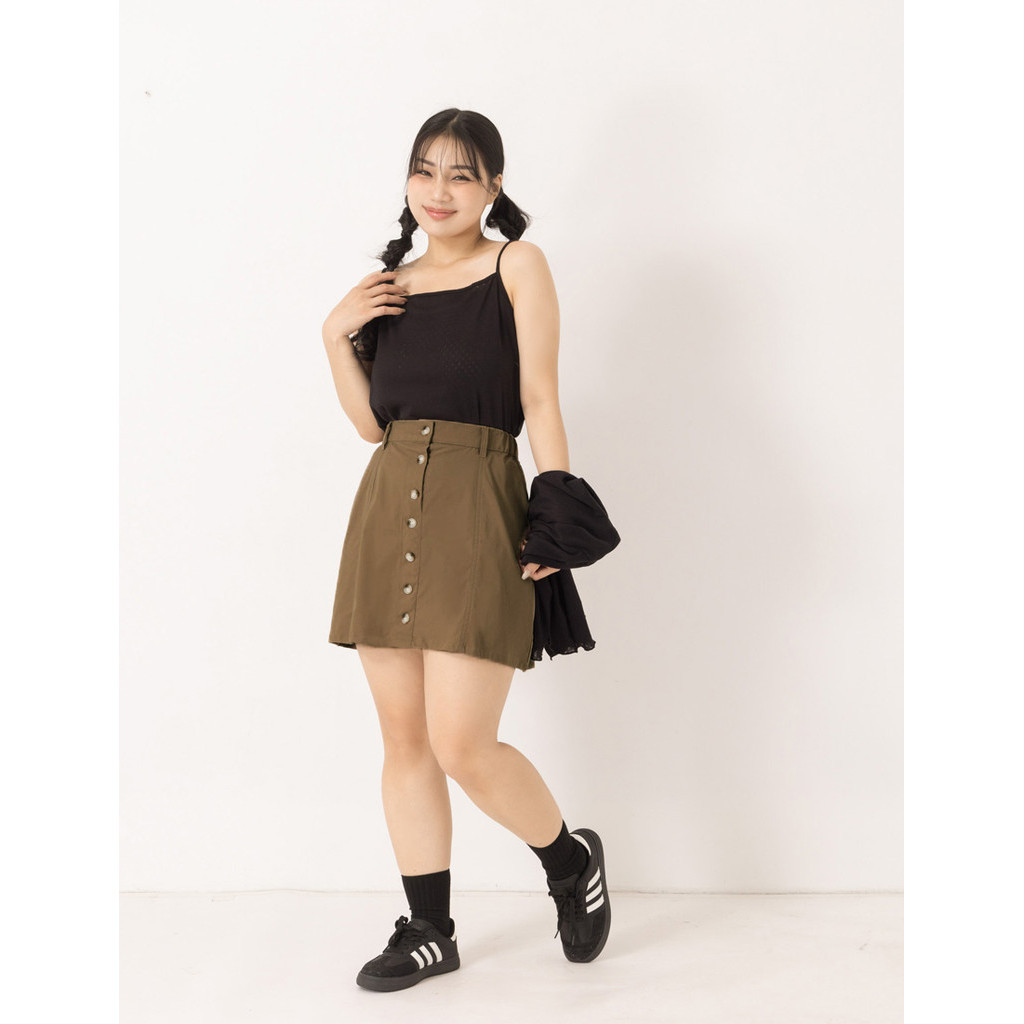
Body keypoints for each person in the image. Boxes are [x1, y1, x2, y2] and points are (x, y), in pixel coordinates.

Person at [320, 108, 612, 992]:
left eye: (460, 174)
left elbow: (540, 397)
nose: (438, 191)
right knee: (404, 738)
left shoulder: (516, 265)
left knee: (462, 743)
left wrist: (555, 509)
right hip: (387, 510)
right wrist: (334, 334)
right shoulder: (388, 288)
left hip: (480, 506)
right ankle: (428, 929)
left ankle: (568, 861)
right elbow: (372, 427)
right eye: (424, 171)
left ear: (492, 186)